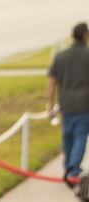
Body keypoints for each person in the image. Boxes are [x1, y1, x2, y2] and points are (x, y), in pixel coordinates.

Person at [48, 22, 89, 183]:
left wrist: (49, 105)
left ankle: (68, 166)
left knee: (68, 136)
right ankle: (73, 169)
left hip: (65, 104)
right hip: (84, 104)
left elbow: (52, 82)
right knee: (80, 136)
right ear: (85, 35)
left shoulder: (60, 55)